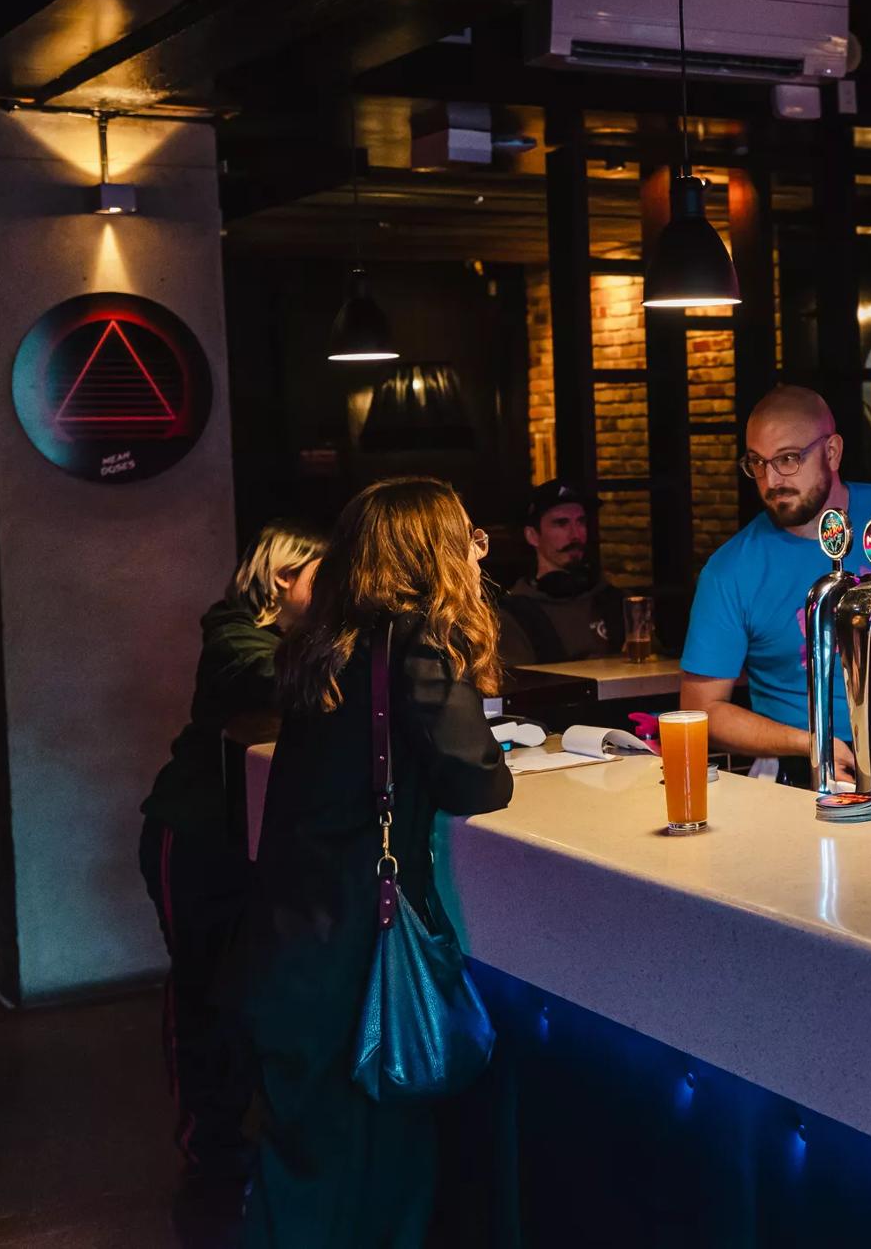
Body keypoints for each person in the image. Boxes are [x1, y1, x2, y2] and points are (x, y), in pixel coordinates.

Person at [244, 476, 514, 1249]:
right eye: (468, 535)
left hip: (290, 937)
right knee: (380, 1166)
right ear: (435, 551)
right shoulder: (417, 646)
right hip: (363, 949)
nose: (476, 549)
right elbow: (480, 780)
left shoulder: (319, 643)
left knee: (302, 1157)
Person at [138, 521, 326, 1202]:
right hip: (194, 837)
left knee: (258, 989)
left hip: (259, 840)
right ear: (282, 578)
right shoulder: (232, 634)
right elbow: (278, 679)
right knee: (203, 989)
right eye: (321, 578)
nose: (334, 595)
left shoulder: (306, 642)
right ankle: (209, 1151)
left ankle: (257, 1139)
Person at [680, 386, 871, 786]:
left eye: (788, 459)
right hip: (802, 765)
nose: (771, 479)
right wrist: (808, 742)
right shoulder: (730, 570)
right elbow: (703, 709)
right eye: (757, 463)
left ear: (832, 452)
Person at [496, 479, 624, 665]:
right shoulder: (514, 616)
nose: (575, 535)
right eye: (561, 523)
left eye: (581, 522)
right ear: (532, 535)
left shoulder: (615, 601)